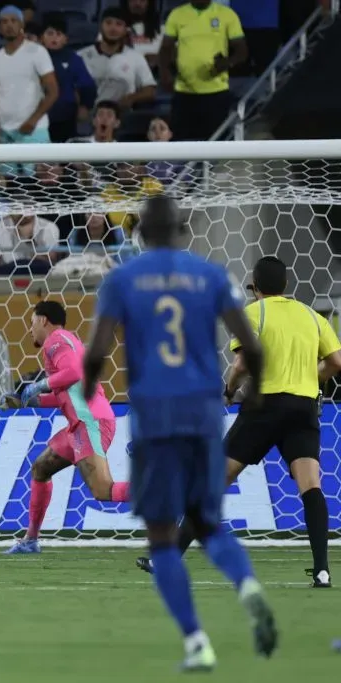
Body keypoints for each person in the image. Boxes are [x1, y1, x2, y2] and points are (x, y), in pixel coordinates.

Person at [82, 194, 276, 671]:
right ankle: (248, 587)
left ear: (142, 233)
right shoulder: (210, 275)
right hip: (204, 412)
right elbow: (252, 346)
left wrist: (87, 391)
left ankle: (196, 642)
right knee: (207, 522)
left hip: (155, 416)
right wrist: (253, 396)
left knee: (164, 536)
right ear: (183, 231)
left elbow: (97, 351)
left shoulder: (123, 279)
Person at [138, 256, 341, 588]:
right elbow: (335, 361)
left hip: (263, 407)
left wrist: (229, 391)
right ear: (286, 285)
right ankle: (322, 570)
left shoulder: (254, 313)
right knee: (311, 486)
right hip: (303, 408)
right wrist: (311, 378)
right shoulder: (312, 316)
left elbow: (242, 363)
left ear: (256, 288)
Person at [6, 301, 129, 554]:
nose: (30, 330)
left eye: (31, 323)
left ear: (43, 321)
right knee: (41, 468)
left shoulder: (55, 341)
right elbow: (69, 392)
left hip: (89, 422)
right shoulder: (70, 342)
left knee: (102, 490)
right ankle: (30, 540)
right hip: (80, 424)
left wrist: (39, 385)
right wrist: (30, 400)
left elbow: (72, 373)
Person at [0, 5, 58, 174]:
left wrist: (33, 120)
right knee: (9, 187)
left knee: (39, 183)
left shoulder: (37, 52)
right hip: (5, 132)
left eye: (13, 21)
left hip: (34, 129)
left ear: (21, 24)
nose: (9, 25)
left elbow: (53, 91)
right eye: (4, 22)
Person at [160, 0, 247, 141]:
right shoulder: (177, 14)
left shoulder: (227, 15)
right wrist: (165, 73)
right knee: (181, 143)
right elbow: (166, 48)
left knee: (216, 143)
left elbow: (241, 51)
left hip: (216, 92)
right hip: (184, 92)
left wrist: (226, 63)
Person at [78, 7, 156, 114]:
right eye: (108, 23)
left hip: (122, 116)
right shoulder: (81, 56)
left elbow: (149, 90)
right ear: (100, 27)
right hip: (89, 115)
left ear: (125, 30)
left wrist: (131, 98)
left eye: (118, 24)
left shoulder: (135, 57)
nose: (113, 28)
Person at [40, 12, 96, 144]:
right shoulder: (34, 57)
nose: (54, 38)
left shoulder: (73, 59)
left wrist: (85, 106)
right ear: (42, 37)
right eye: (50, 33)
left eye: (58, 34)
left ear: (66, 39)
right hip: (38, 116)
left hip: (65, 116)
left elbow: (88, 85)